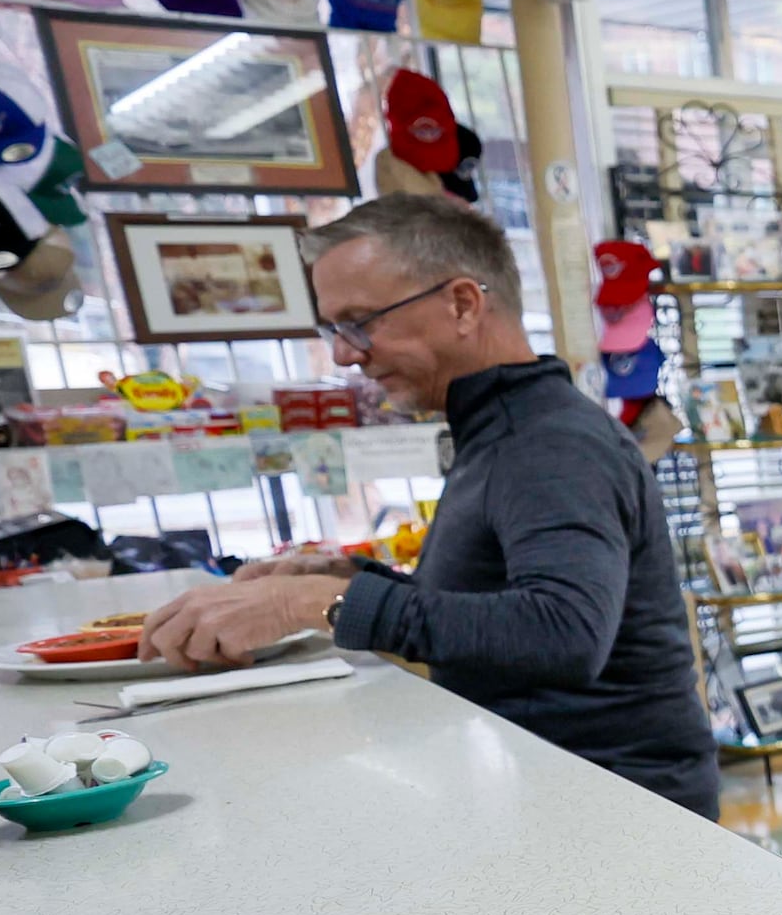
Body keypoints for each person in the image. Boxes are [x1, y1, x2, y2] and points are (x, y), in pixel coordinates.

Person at [140, 196, 726, 815]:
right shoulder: (504, 426)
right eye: (333, 328)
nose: (344, 353)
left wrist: (311, 603)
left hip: (622, 814)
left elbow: (564, 632)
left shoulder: (550, 444)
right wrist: (345, 577)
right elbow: (492, 605)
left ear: (463, 304)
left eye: (361, 321)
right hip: (551, 787)